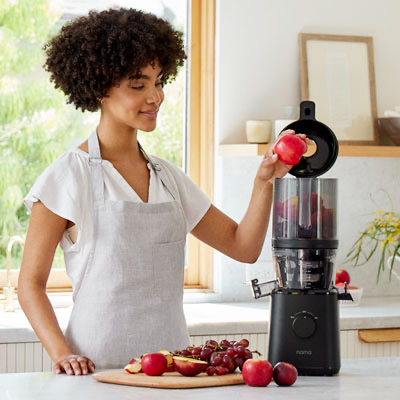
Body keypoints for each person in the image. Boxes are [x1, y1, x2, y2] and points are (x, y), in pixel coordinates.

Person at [18, 8, 302, 376]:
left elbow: (243, 247)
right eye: (139, 85)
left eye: (159, 80)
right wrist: (62, 354)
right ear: (99, 88)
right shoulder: (67, 176)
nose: (155, 97)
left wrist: (265, 181)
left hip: (174, 372)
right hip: (96, 374)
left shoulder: (168, 178)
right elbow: (30, 284)